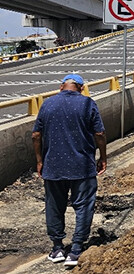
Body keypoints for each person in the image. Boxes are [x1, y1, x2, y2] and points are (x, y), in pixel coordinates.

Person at [32, 74, 107, 266]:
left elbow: (36, 135)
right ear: (81, 88)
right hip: (82, 166)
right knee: (83, 206)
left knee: (54, 206)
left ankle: (57, 248)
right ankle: (75, 251)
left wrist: (39, 161)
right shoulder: (87, 104)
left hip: (53, 166)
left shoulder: (47, 104)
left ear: (61, 87)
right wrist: (103, 157)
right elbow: (99, 133)